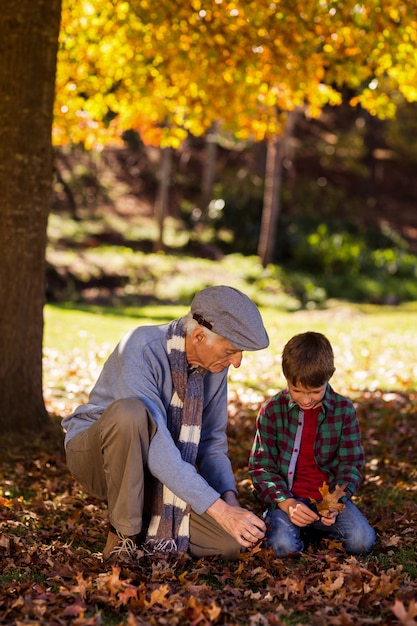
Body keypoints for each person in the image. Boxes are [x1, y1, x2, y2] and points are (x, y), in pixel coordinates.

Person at [62, 285, 269, 562]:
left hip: (152, 470)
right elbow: (157, 445)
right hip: (97, 458)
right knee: (131, 413)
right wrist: (218, 510)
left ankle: (150, 518)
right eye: (231, 351)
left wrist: (229, 500)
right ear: (198, 336)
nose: (238, 362)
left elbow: (212, 441)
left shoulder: (215, 368)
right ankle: (123, 536)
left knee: (228, 543)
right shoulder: (142, 347)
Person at [248, 331, 375, 558]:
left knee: (361, 542)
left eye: (315, 392)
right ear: (286, 377)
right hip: (287, 501)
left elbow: (350, 465)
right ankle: (296, 527)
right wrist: (286, 504)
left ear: (329, 377)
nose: (306, 400)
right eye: (297, 391)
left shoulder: (343, 411)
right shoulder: (272, 411)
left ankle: (315, 527)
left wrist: (334, 503)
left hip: (326, 501)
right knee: (282, 548)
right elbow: (261, 468)